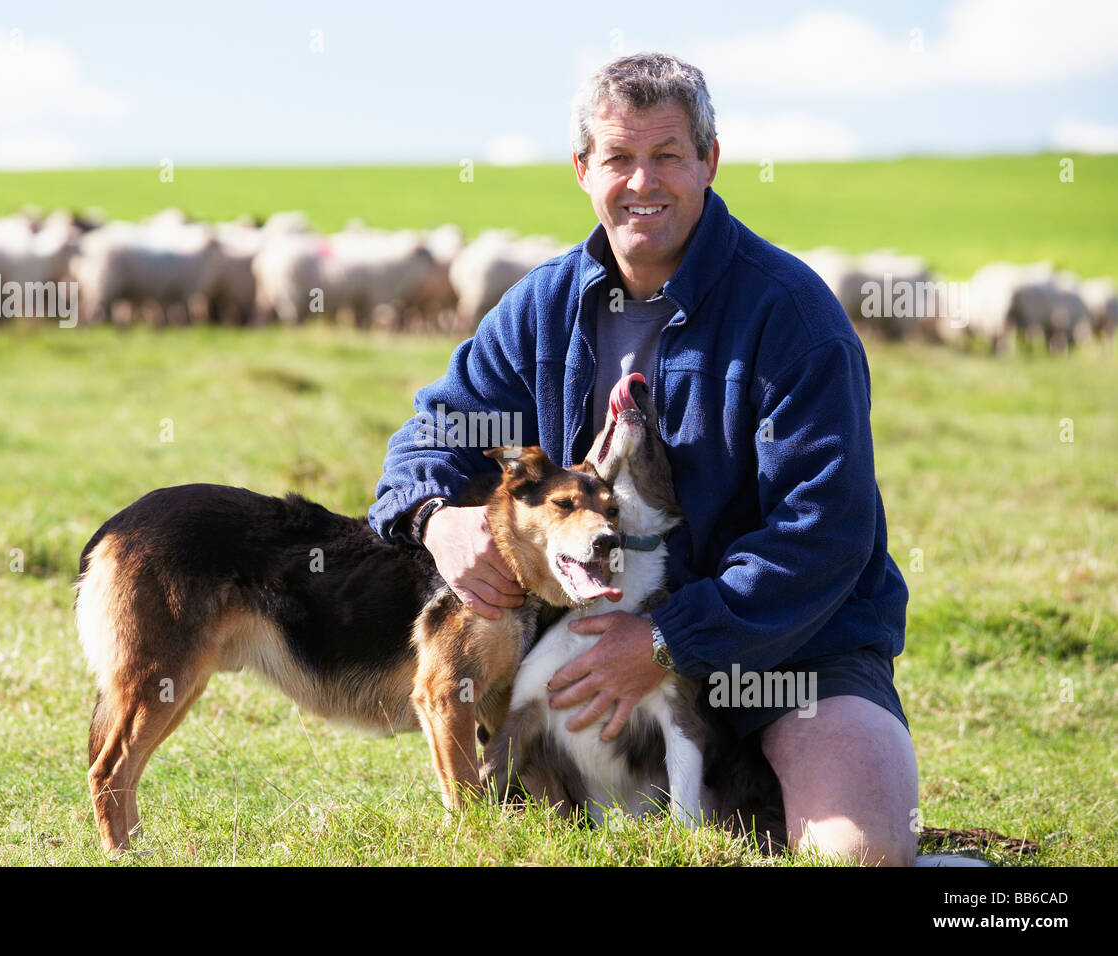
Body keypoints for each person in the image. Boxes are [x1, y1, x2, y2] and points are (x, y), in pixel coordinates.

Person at [369, 52, 918, 866]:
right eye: (619, 158)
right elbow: (432, 434)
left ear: (710, 161)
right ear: (583, 169)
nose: (642, 182)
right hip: (588, 645)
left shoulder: (795, 316)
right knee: (525, 847)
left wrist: (667, 640)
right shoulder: (542, 309)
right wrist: (435, 516)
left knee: (859, 855)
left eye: (667, 155)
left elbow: (825, 533)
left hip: (791, 659)